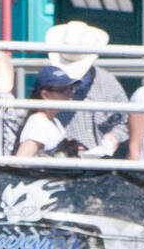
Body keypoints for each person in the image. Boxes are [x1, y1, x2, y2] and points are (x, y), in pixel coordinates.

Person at [44, 20, 130, 156]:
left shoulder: (107, 83)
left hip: (99, 161)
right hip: (59, 159)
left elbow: (124, 121)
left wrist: (114, 137)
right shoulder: (49, 82)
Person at [15, 66, 78, 157]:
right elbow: (21, 159)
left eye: (71, 88)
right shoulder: (38, 122)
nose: (70, 93)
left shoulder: (54, 121)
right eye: (63, 90)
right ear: (45, 95)